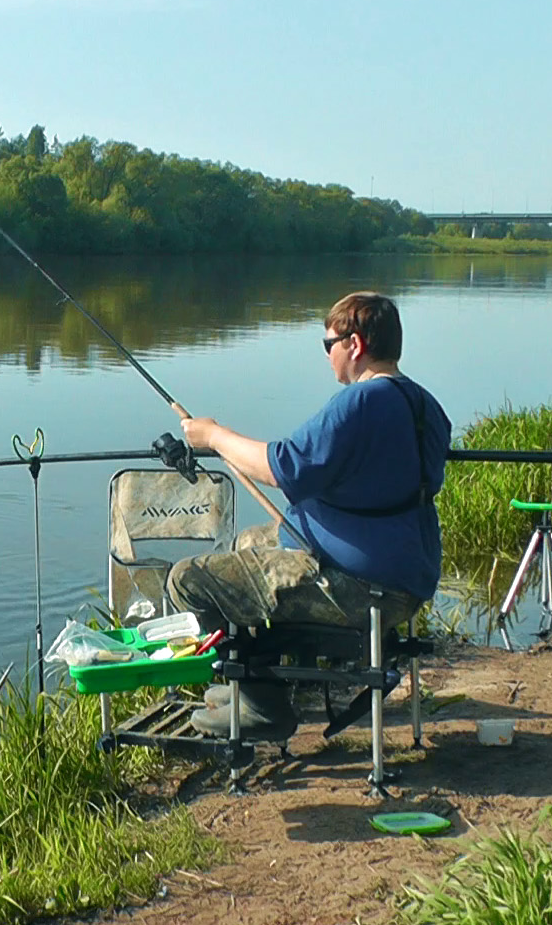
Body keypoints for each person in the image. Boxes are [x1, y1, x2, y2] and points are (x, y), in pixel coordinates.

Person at [167, 291, 450, 741]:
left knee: (188, 578)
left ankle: (264, 706)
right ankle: (249, 683)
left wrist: (213, 436)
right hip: (409, 576)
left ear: (354, 345)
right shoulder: (425, 405)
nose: (327, 356)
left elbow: (282, 467)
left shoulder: (359, 404)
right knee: (247, 545)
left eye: (328, 345)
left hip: (360, 587)